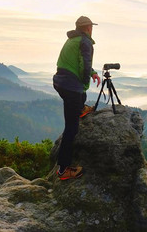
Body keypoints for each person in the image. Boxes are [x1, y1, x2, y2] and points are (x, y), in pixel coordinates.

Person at [53, 16, 101, 180]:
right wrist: (85, 85)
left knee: (79, 98)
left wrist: (93, 72)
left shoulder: (73, 40)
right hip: (70, 86)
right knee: (71, 128)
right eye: (91, 27)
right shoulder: (85, 42)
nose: (92, 29)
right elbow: (84, 65)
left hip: (60, 82)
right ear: (88, 28)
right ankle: (63, 170)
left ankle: (80, 108)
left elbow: (78, 61)